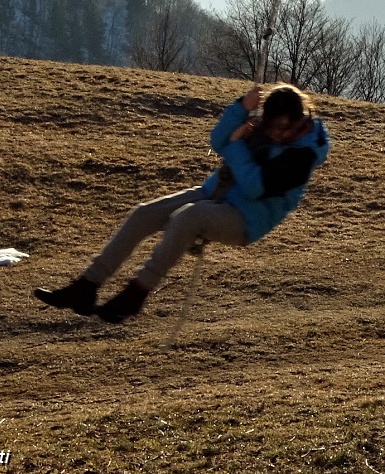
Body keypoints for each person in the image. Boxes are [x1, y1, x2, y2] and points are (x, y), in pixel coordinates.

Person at [35, 84, 329, 323]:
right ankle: (86, 286)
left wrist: (238, 145)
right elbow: (218, 141)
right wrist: (241, 107)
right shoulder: (268, 125)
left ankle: (136, 293)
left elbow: (255, 187)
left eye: (282, 129)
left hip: (245, 218)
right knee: (144, 214)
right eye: (271, 127)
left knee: (189, 216)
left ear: (301, 121)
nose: (275, 135)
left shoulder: (302, 157)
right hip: (214, 193)